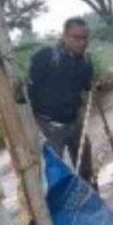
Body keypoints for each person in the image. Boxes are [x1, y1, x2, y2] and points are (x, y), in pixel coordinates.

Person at [27, 17, 95, 185]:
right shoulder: (45, 57)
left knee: (85, 166)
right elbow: (29, 91)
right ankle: (59, 210)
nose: (81, 43)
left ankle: (94, 204)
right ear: (64, 36)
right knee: (55, 176)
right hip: (49, 127)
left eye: (84, 38)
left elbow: (87, 87)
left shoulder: (86, 62)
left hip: (74, 122)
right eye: (76, 38)